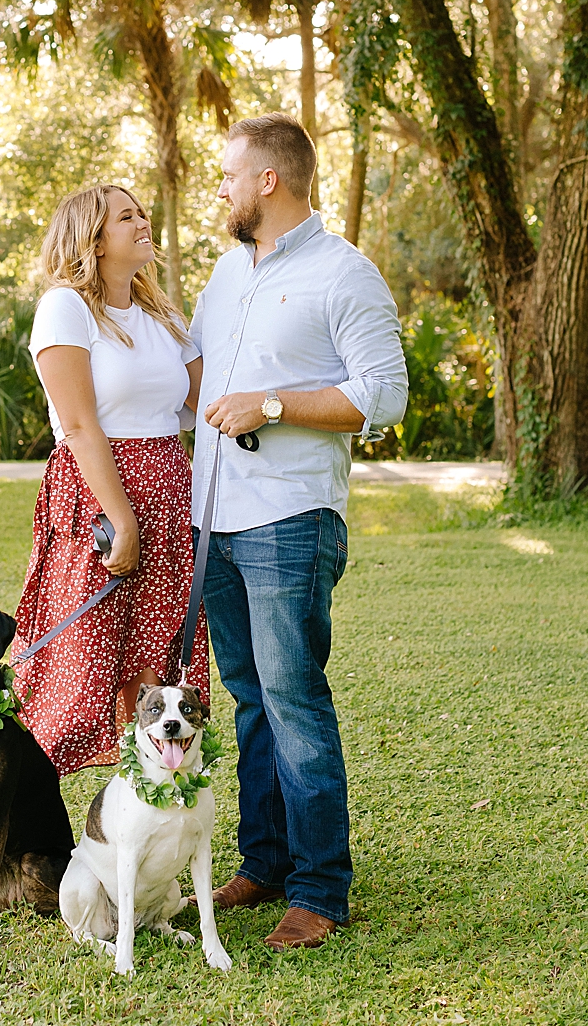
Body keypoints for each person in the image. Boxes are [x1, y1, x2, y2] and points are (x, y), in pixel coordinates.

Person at [191, 114, 406, 950]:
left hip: (291, 517)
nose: (221, 188)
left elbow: (383, 399)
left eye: (228, 175)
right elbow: (203, 368)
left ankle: (320, 888)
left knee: (293, 699)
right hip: (218, 515)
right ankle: (267, 859)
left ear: (268, 182)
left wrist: (272, 404)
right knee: (248, 699)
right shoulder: (224, 270)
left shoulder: (344, 274)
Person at [15, 184, 206, 776]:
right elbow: (77, 423)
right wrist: (122, 518)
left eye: (142, 212)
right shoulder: (65, 307)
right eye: (126, 217)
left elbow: (205, 402)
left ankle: (150, 837)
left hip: (170, 495)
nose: (143, 222)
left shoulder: (163, 314)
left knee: (157, 677)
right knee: (76, 676)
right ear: (92, 241)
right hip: (100, 501)